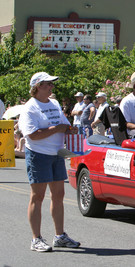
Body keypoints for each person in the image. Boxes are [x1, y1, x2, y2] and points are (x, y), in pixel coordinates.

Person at [18, 72, 80, 252]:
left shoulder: (54, 103)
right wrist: (56, 129)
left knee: (58, 195)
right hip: (38, 154)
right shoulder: (30, 108)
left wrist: (70, 130)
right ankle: (36, 238)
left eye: (52, 84)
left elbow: (63, 124)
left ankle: (59, 235)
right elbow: (32, 135)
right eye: (47, 84)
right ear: (37, 87)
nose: (51, 87)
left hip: (57, 153)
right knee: (37, 196)